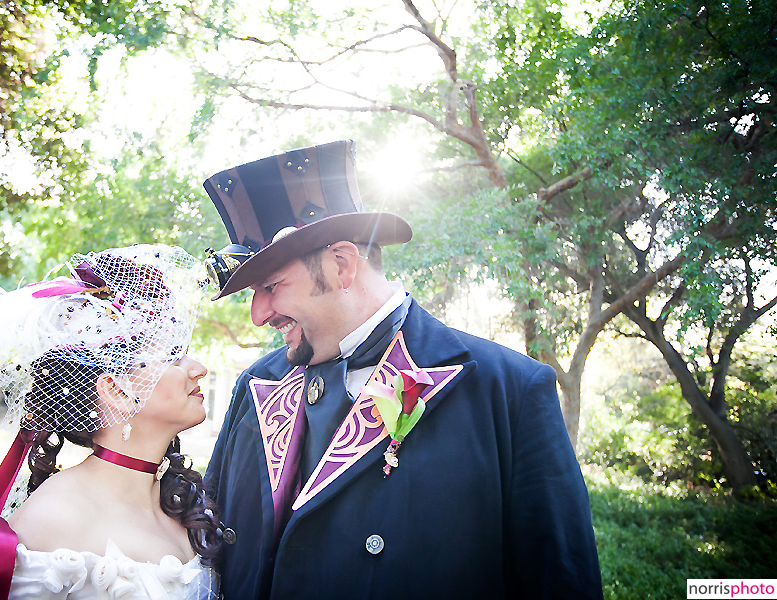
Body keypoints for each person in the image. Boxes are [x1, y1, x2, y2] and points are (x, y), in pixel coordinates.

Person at [201, 140, 603, 599]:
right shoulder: (255, 386)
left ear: (341, 265)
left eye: (271, 286)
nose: (257, 314)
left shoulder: (508, 392)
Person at [0, 244, 223, 600]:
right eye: (172, 356)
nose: (199, 369)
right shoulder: (52, 519)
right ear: (117, 390)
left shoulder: (182, 505)